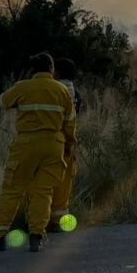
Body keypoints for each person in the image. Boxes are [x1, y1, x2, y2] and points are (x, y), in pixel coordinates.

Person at [0, 52, 75, 254]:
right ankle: (36, 236)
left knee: (12, 190)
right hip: (54, 145)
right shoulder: (62, 90)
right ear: (51, 69)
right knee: (43, 192)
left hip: (27, 144)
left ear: (32, 70)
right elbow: (70, 122)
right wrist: (68, 145)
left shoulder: (23, 87)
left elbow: (3, 102)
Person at [49, 57, 83, 233]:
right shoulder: (75, 93)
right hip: (70, 142)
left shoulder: (55, 91)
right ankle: (59, 220)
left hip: (54, 140)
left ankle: (44, 219)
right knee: (64, 184)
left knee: (48, 181)